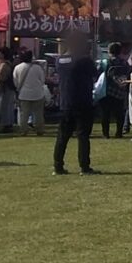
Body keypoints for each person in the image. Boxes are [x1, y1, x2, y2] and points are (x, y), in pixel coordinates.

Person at [52, 32, 100, 176]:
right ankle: (84, 166)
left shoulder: (60, 61)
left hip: (66, 102)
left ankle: (57, 165)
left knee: (63, 135)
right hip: (83, 101)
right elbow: (95, 74)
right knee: (83, 135)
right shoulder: (83, 60)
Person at [98, 42, 130, 139]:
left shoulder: (105, 62)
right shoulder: (125, 63)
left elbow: (98, 74)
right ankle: (119, 132)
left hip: (107, 91)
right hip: (120, 91)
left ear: (109, 51)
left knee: (105, 114)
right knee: (119, 113)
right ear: (120, 51)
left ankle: (106, 133)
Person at [13, 50, 48, 136]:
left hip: (24, 94)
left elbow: (15, 81)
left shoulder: (18, 67)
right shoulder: (38, 68)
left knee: (24, 114)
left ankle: (23, 130)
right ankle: (39, 129)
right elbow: (42, 80)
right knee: (39, 114)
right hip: (37, 93)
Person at [0, 47, 17, 134]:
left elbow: (2, 77)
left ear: (2, 54)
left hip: (5, 88)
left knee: (5, 106)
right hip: (9, 88)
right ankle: (8, 124)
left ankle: (6, 125)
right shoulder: (9, 63)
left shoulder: (4, 65)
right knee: (8, 106)